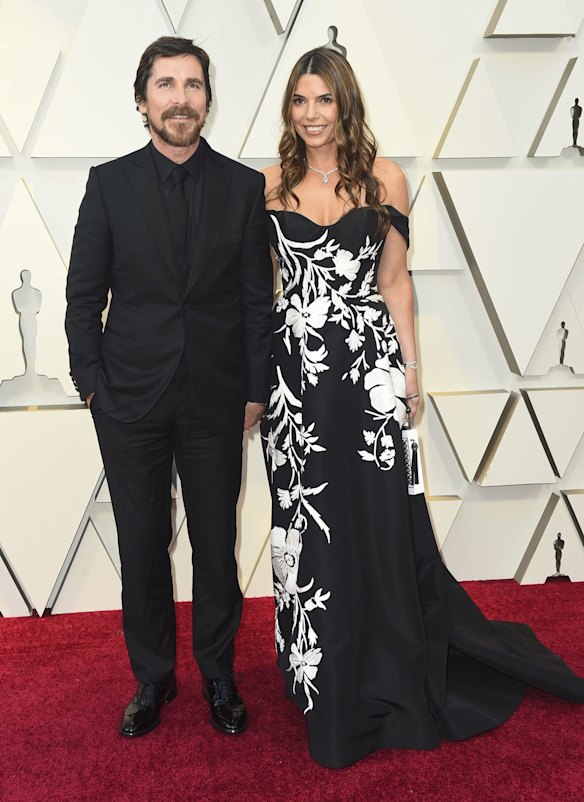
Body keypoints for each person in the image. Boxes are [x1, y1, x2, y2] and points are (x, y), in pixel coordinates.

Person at [260, 46, 584, 769]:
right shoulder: (268, 184)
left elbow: (397, 283)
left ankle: (383, 657)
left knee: (375, 518)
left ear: (347, 104)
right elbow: (261, 291)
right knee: (308, 521)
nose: (312, 115)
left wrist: (411, 373)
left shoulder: (386, 179)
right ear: (290, 108)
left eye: (325, 100)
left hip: (369, 372)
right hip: (298, 383)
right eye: (301, 100)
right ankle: (318, 665)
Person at [65, 36, 273, 739]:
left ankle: (218, 673)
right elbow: (81, 297)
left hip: (217, 400)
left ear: (208, 98)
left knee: (216, 545)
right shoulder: (109, 184)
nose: (180, 97)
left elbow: (255, 301)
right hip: (129, 399)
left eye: (192, 85)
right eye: (165, 84)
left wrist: (254, 387)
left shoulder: (245, 189)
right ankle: (153, 677)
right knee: (143, 543)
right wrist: (92, 385)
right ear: (142, 98)